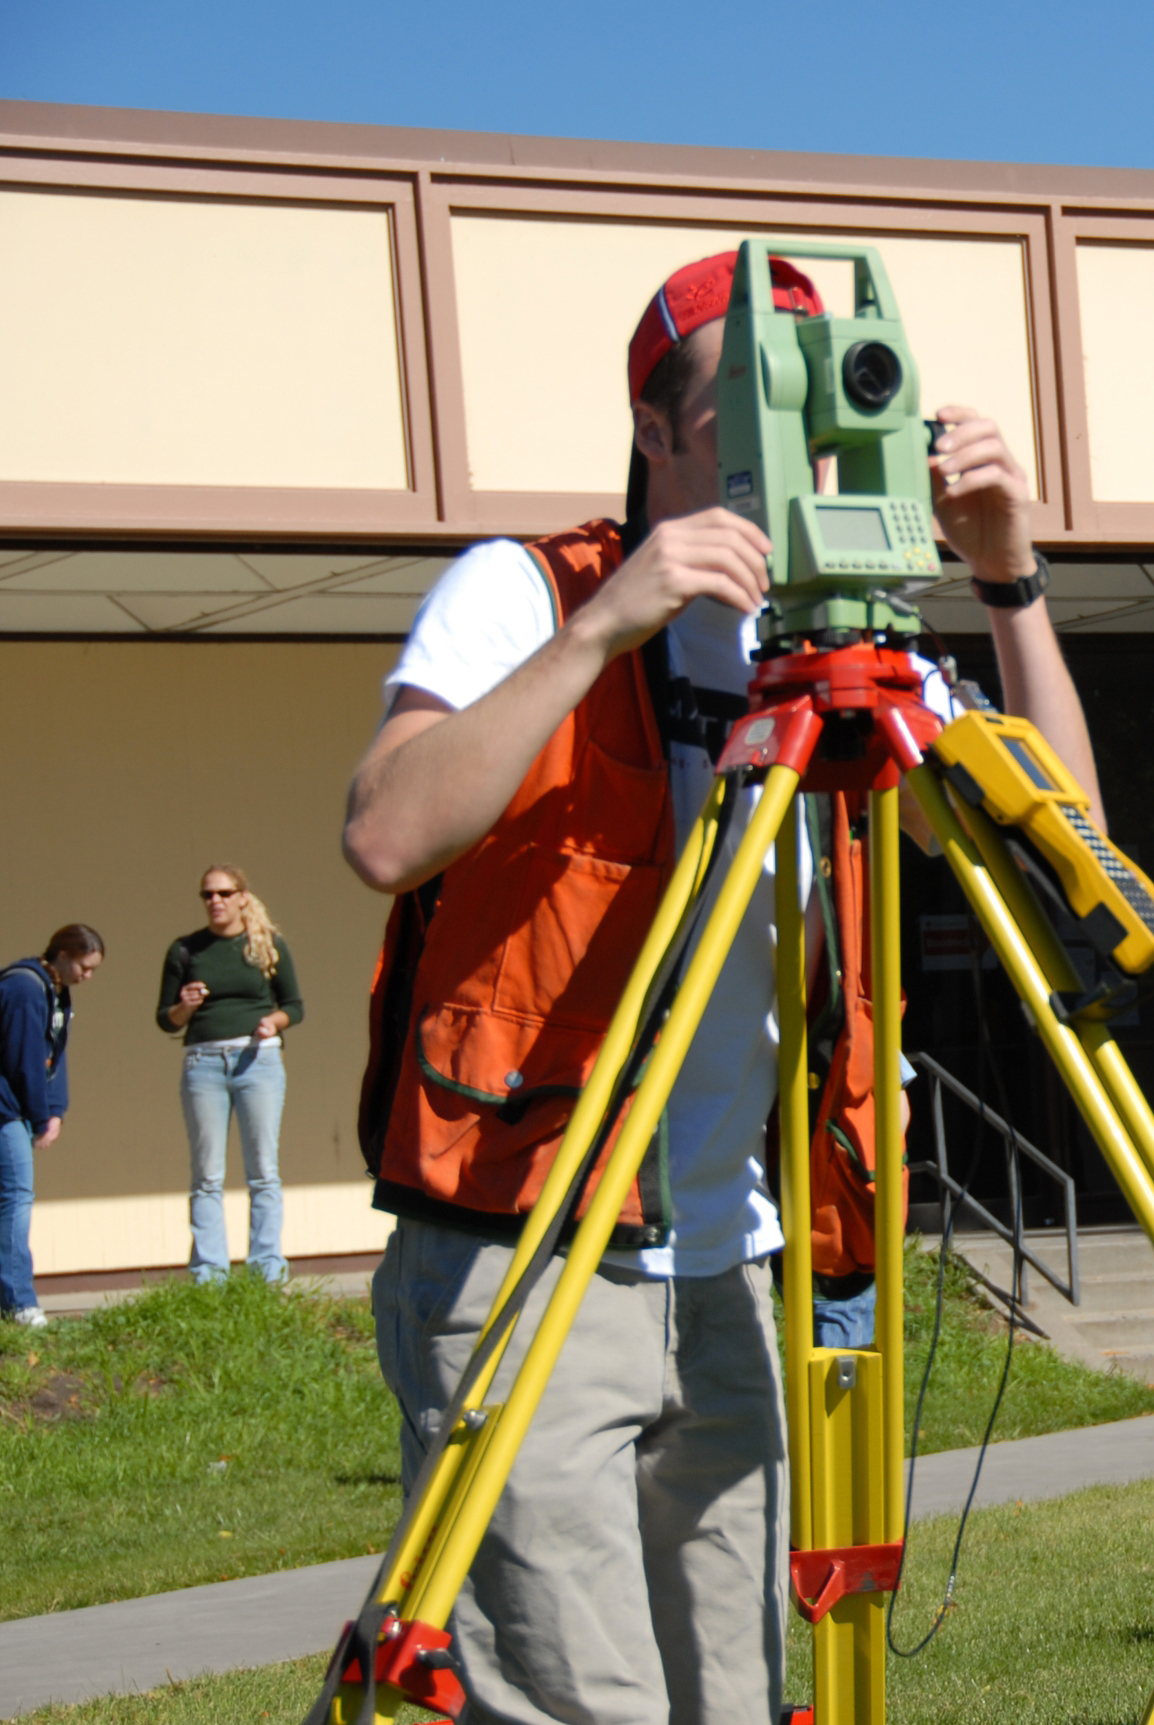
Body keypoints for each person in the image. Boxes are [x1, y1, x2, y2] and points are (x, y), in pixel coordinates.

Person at [341, 248, 1101, 1724]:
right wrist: (607, 622)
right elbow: (384, 830)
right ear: (655, 429)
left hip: (731, 1266)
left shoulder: (839, 648)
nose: (796, 445)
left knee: (737, 1701)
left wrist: (1007, 578)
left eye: (824, 406)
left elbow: (1073, 858)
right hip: (526, 1247)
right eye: (748, 402)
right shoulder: (529, 586)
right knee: (577, 1702)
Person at [158, 866, 304, 1284]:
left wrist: (272, 1022)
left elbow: (294, 1005)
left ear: (242, 896)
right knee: (206, 1174)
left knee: (263, 1170)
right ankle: (209, 1273)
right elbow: (166, 1020)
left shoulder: (268, 945)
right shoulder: (185, 950)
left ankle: (267, 1272)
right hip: (203, 1063)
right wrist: (185, 1005)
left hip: (257, 1060)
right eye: (207, 895)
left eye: (224, 893)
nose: (215, 901)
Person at [0, 925, 105, 1328]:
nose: (87, 975)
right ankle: (19, 1302)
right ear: (61, 954)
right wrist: (39, 1113)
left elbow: (53, 1056)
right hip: (6, 1108)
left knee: (12, 1197)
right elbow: (24, 1059)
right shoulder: (25, 988)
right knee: (16, 1196)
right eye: (83, 965)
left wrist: (56, 1108)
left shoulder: (56, 992)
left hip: (18, 1109)